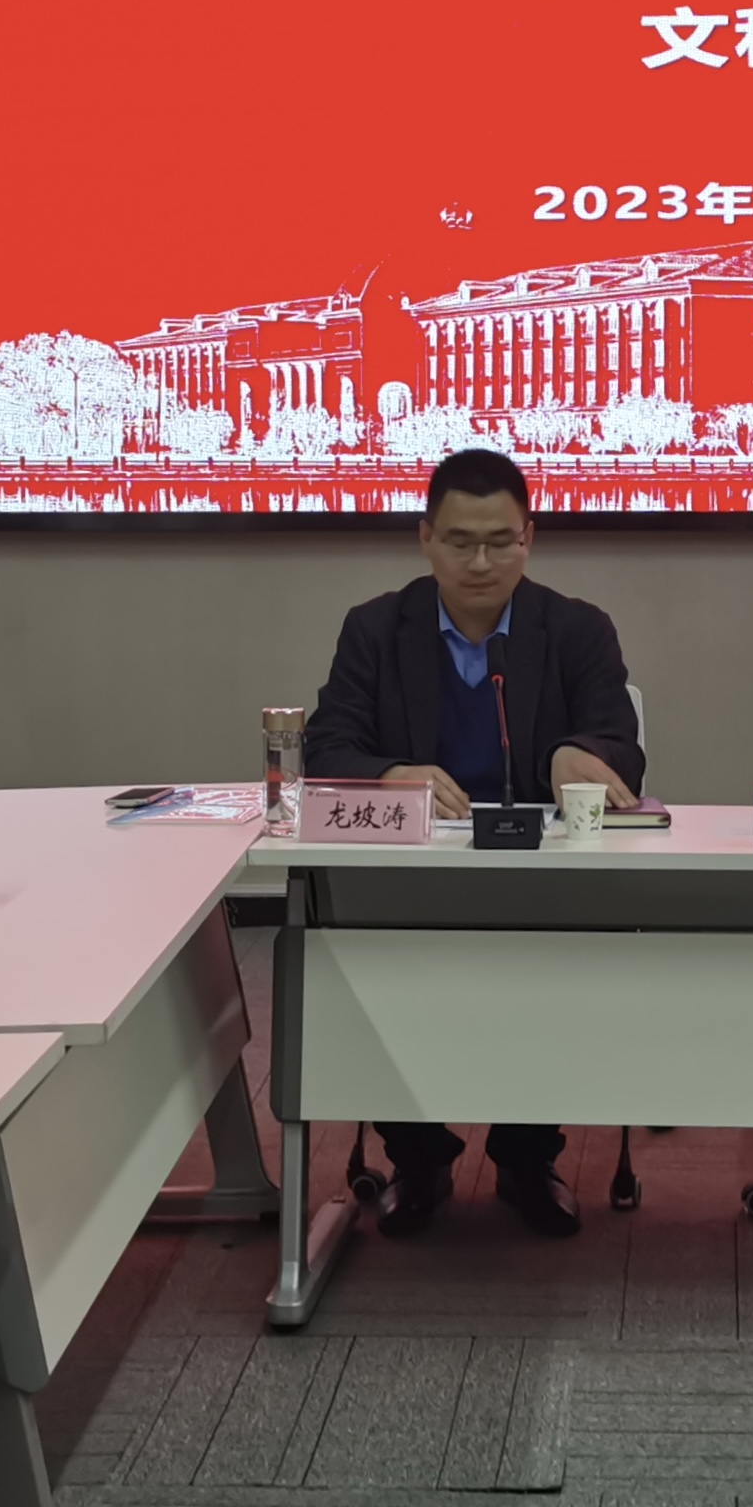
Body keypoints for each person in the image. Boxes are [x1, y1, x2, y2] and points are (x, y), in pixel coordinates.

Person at [305, 448, 645, 1240]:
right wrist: (390, 774)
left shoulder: (576, 628)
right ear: (425, 537)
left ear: (529, 537)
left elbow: (620, 749)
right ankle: (417, 1158)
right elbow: (327, 746)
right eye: (461, 541)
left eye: (500, 541)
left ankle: (528, 1158)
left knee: (556, 972)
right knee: (368, 965)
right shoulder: (375, 628)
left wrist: (574, 755)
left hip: (539, 879)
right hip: (409, 881)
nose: (482, 562)